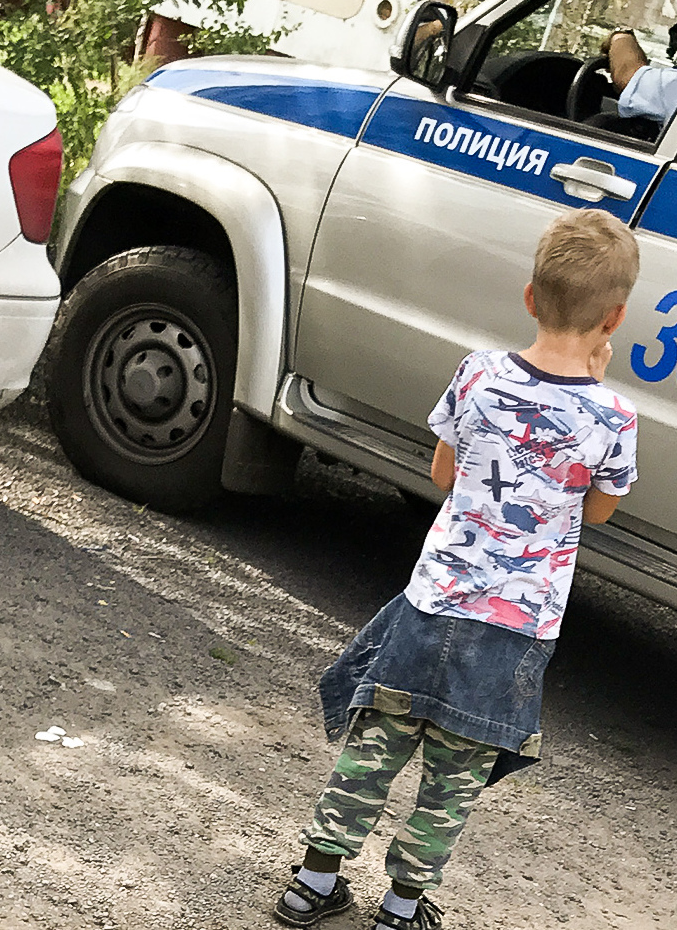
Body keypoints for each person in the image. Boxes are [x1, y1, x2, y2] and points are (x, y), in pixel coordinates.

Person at [274, 209, 642, 930]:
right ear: (616, 319)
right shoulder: (615, 417)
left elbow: (444, 472)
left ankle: (311, 887)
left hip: (432, 602)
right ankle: (400, 910)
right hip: (515, 626)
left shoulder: (477, 375)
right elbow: (597, 514)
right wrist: (594, 392)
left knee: (373, 750)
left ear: (530, 297)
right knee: (454, 780)